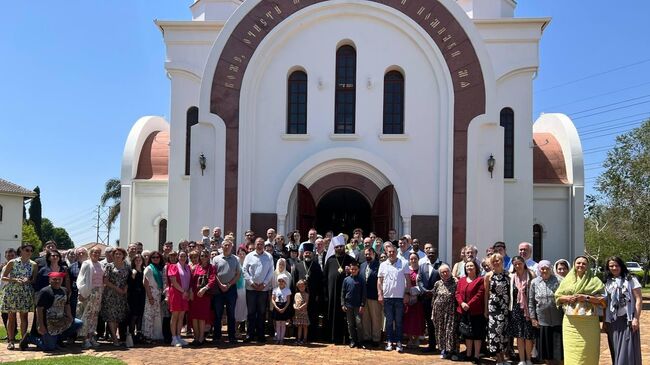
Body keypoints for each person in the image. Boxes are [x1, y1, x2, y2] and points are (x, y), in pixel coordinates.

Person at [555, 256, 605, 365]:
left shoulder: (595, 281)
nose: (580, 265)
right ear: (574, 264)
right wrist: (568, 298)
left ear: (587, 266)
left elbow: (602, 300)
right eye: (578, 263)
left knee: (589, 350)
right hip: (571, 324)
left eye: (583, 263)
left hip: (589, 323)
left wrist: (586, 298)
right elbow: (558, 297)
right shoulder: (567, 280)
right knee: (572, 350)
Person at [20, 272, 82, 351]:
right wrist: (40, 325)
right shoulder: (45, 292)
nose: (57, 281)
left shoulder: (64, 290)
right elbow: (39, 309)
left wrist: (70, 317)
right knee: (49, 348)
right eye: (54, 279)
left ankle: (58, 340)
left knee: (78, 323)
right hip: (49, 323)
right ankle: (31, 338)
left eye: (59, 279)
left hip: (61, 319)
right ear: (50, 280)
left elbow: (67, 305)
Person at [604, 256, 642, 365]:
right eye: (611, 266)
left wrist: (636, 318)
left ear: (621, 266)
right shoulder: (607, 281)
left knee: (627, 350)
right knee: (616, 349)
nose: (614, 268)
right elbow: (606, 302)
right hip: (613, 321)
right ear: (608, 268)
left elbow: (639, 299)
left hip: (627, 320)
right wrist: (605, 321)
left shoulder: (631, 279)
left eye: (617, 265)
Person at [0, 244, 37, 350]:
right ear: (21, 250)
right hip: (12, 292)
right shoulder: (13, 262)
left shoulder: (33, 264)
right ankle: (11, 341)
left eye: (31, 250)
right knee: (11, 317)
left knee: (24, 317)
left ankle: (23, 341)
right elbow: (4, 277)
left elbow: (34, 280)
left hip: (25, 292)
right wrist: (15, 280)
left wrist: (27, 280)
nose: (29, 252)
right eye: (27, 250)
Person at [529, 260, 563, 365]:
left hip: (558, 319)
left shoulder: (559, 280)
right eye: (542, 268)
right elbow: (531, 301)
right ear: (539, 269)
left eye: (547, 268)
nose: (544, 270)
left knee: (558, 349)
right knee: (545, 349)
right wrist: (533, 318)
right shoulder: (534, 282)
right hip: (542, 320)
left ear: (551, 269)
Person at [377, 243, 411, 353]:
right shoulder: (383, 265)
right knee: (389, 321)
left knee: (399, 321)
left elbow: (408, 280)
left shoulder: (404, 263)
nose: (391, 253)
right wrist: (380, 294)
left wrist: (407, 293)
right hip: (387, 297)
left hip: (400, 297)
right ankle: (390, 341)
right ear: (386, 253)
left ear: (397, 253)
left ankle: (399, 342)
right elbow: (379, 281)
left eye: (393, 252)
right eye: (389, 252)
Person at [324, 234, 355, 344]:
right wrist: (326, 294)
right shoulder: (330, 260)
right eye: (337, 247)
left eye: (341, 246)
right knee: (332, 316)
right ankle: (333, 337)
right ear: (334, 248)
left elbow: (356, 273)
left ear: (344, 246)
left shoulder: (350, 260)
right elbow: (325, 278)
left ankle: (347, 338)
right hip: (332, 293)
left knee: (347, 317)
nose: (339, 248)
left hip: (347, 294)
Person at [242, 237, 274, 343]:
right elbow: (244, 270)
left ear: (264, 245)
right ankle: (250, 335)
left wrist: (264, 284)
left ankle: (261, 335)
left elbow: (271, 271)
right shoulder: (249, 256)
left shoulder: (268, 257)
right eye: (257, 243)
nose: (259, 245)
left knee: (261, 313)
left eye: (261, 244)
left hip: (263, 290)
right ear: (254, 244)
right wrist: (251, 283)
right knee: (251, 312)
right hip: (251, 289)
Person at [290, 243, 324, 341]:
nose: (307, 254)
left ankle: (311, 337)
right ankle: (299, 336)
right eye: (306, 253)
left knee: (312, 316)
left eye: (309, 253)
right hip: (300, 297)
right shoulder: (298, 266)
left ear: (312, 254)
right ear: (303, 254)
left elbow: (320, 282)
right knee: (300, 316)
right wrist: (294, 297)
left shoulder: (317, 266)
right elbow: (293, 281)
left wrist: (319, 295)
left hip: (312, 297)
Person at [508, 256, 536, 365]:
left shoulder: (531, 275)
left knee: (528, 336)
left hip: (528, 308)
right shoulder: (512, 277)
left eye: (520, 263)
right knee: (519, 335)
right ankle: (522, 360)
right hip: (516, 309)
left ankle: (528, 359)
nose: (518, 266)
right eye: (515, 264)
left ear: (524, 263)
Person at [455, 260, 486, 364]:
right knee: (467, 333)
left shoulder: (480, 280)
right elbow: (457, 293)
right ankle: (468, 354)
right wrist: (462, 303)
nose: (469, 268)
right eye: (467, 266)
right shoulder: (461, 280)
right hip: (463, 311)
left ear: (476, 268)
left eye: (471, 266)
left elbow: (480, 294)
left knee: (477, 333)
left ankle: (476, 355)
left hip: (476, 311)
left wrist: (469, 304)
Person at [212, 238, 240, 344]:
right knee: (218, 314)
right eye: (225, 245)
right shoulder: (216, 259)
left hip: (231, 289)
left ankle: (231, 336)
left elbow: (238, 274)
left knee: (231, 314)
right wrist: (221, 285)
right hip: (218, 290)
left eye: (229, 245)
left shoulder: (236, 259)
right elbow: (213, 274)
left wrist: (228, 285)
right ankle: (217, 336)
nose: (227, 247)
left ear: (232, 247)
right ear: (221, 247)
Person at [484, 253, 510, 365]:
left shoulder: (508, 274)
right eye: (493, 261)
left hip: (505, 308)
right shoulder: (488, 276)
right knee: (495, 333)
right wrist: (486, 309)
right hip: (494, 308)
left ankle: (503, 358)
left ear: (502, 261)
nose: (496, 262)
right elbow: (486, 294)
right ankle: (498, 359)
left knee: (504, 333)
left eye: (498, 260)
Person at [101, 247, 129, 347]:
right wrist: (117, 288)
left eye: (120, 254)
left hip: (121, 296)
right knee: (111, 317)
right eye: (116, 254)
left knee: (118, 317)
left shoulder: (127, 266)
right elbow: (105, 281)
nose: (118, 255)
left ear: (123, 255)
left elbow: (128, 280)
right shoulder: (109, 266)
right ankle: (114, 338)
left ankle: (115, 336)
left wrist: (125, 289)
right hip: (110, 294)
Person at [417, 242, 442, 352]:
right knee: (430, 323)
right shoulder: (422, 266)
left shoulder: (442, 265)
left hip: (438, 299)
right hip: (426, 299)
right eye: (429, 253)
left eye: (433, 253)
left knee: (439, 323)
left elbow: (444, 281)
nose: (431, 254)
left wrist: (434, 292)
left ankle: (441, 346)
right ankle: (432, 345)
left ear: (437, 254)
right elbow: (419, 280)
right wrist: (425, 291)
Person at [189, 250, 216, 346]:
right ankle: (196, 337)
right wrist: (191, 291)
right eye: (201, 256)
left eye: (205, 256)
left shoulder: (211, 268)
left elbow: (212, 280)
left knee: (202, 317)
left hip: (204, 295)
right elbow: (192, 281)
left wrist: (204, 289)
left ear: (208, 257)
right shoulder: (196, 267)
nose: (203, 257)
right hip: (195, 295)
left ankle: (201, 337)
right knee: (194, 316)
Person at [431, 264, 458, 359]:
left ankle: (453, 351)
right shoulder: (437, 283)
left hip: (451, 311)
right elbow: (434, 297)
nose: (445, 273)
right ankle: (444, 350)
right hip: (438, 311)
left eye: (447, 271)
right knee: (440, 330)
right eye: (442, 272)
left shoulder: (456, 282)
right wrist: (433, 312)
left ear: (450, 272)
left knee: (450, 331)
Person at [167, 250, 191, 347]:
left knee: (182, 316)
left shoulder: (187, 267)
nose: (183, 257)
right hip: (176, 293)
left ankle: (179, 337)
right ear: (178, 257)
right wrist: (183, 291)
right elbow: (173, 281)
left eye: (184, 256)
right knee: (175, 315)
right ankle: (173, 338)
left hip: (185, 294)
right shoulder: (173, 266)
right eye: (181, 256)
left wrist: (188, 291)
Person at [360, 247, 382, 348]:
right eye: (366, 254)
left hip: (374, 296)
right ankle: (366, 338)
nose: (367, 256)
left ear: (373, 253)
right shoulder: (362, 265)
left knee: (376, 318)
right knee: (365, 318)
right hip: (364, 297)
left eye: (369, 254)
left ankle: (376, 338)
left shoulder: (379, 265)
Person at [341, 260, 365, 348]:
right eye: (352, 269)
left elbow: (364, 293)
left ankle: (360, 341)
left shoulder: (361, 280)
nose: (353, 270)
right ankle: (353, 340)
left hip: (358, 306)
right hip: (348, 305)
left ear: (358, 269)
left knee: (358, 323)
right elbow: (342, 293)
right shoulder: (346, 280)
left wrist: (362, 305)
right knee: (350, 324)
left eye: (355, 269)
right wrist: (343, 304)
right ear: (350, 270)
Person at [403, 252, 424, 347]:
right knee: (408, 319)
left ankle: (416, 340)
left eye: (415, 258)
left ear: (418, 259)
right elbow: (404, 283)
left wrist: (416, 291)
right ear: (409, 260)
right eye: (411, 259)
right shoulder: (406, 270)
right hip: (408, 298)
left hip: (418, 299)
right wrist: (408, 292)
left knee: (417, 319)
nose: (413, 260)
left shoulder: (422, 270)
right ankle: (410, 339)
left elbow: (424, 283)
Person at [142, 251, 164, 343]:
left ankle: (155, 336)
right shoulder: (149, 268)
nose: (155, 259)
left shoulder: (160, 269)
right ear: (150, 258)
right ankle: (147, 336)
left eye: (157, 257)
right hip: (151, 293)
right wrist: (150, 297)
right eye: (153, 257)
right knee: (149, 315)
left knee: (157, 316)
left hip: (158, 294)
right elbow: (145, 283)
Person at [127, 254, 146, 347]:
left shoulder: (144, 270)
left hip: (142, 296)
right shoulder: (132, 271)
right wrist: (133, 276)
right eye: (136, 260)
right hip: (133, 296)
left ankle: (139, 334)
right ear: (134, 262)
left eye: (140, 260)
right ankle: (131, 335)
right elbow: (129, 285)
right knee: (134, 316)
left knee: (140, 316)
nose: (138, 261)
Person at [0, 248, 18, 342]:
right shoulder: (4, 266)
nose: (10, 257)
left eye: (12, 255)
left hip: (13, 292)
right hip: (4, 291)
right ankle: (9, 333)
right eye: (8, 255)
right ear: (5, 256)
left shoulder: (17, 266)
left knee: (11, 314)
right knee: (4, 314)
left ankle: (13, 333)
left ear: (16, 256)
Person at [270, 274, 292, 344]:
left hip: (284, 307)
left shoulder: (287, 290)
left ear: (285, 282)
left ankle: (282, 339)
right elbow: (273, 299)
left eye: (282, 281)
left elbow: (288, 301)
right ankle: (278, 339)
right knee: (277, 323)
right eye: (279, 281)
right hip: (277, 307)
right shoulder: (275, 290)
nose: (281, 282)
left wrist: (284, 308)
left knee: (283, 324)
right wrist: (276, 307)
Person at [67, 247, 87, 318]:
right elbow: (68, 281)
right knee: (75, 314)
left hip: (89, 294)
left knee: (87, 315)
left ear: (87, 255)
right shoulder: (71, 267)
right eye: (79, 253)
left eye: (83, 253)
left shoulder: (91, 265)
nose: (81, 254)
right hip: (75, 294)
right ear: (76, 255)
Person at [234, 246, 248, 334]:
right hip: (237, 290)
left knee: (246, 310)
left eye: (243, 254)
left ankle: (246, 331)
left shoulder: (248, 264)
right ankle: (235, 330)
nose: (241, 255)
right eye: (240, 254)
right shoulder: (235, 264)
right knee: (237, 310)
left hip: (247, 290)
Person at [293, 279, 310, 344]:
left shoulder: (306, 294)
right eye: (299, 286)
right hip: (297, 313)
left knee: (305, 326)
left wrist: (300, 307)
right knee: (299, 326)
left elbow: (306, 303)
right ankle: (299, 339)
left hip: (304, 313)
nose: (301, 288)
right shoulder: (296, 294)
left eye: (302, 286)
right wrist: (294, 306)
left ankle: (305, 339)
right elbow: (294, 302)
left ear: (305, 286)